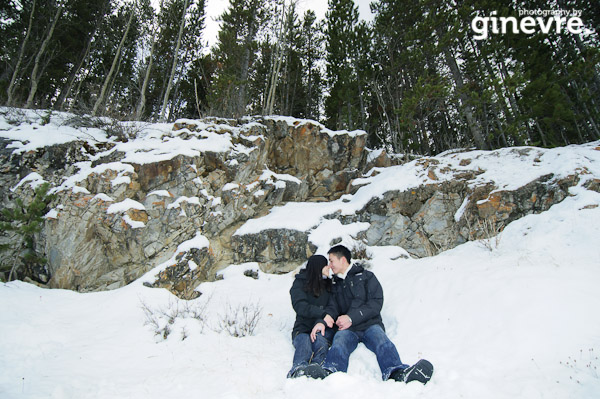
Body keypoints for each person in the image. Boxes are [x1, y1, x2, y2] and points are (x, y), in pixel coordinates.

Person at [306, 245, 433, 383]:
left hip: (370, 324)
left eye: (331, 261)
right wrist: (324, 320)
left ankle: (398, 372)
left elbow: (376, 303)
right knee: (339, 343)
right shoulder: (335, 283)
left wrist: (350, 318)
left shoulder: (367, 277)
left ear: (342, 260)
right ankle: (330, 371)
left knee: (382, 342)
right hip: (348, 329)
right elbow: (332, 307)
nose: (329, 265)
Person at [287, 254, 336, 378]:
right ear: (318, 267)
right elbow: (300, 305)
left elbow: (331, 307)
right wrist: (322, 314)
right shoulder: (300, 283)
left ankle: (317, 367)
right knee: (304, 343)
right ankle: (299, 368)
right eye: (326, 265)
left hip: (322, 327)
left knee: (320, 342)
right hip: (303, 327)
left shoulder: (328, 285)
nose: (329, 267)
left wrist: (321, 321)